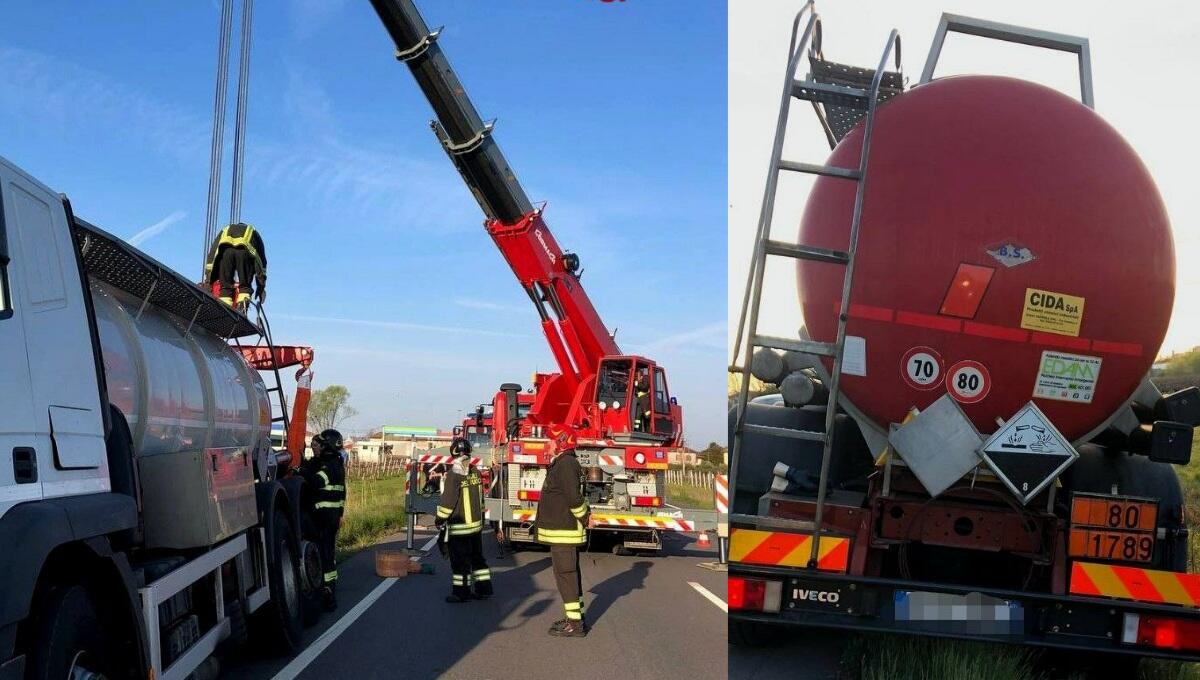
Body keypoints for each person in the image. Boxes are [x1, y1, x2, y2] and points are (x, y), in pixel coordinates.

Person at [534, 426, 590, 637]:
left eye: (550, 441)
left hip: (564, 531)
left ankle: (575, 625)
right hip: (562, 531)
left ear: (561, 442)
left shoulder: (566, 464)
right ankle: (575, 617)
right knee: (568, 577)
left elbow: (574, 499)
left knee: (566, 577)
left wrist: (585, 517)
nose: (547, 444)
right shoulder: (564, 463)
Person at [435, 438, 493, 603]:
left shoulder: (454, 474)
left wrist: (440, 519)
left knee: (460, 563)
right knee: (477, 559)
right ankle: (484, 589)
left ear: (453, 453)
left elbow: (448, 502)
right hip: (476, 527)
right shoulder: (475, 471)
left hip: (460, 528)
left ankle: (461, 593)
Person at [299, 429, 347, 611]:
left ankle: (329, 593)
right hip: (330, 518)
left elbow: (317, 482)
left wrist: (300, 471)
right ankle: (330, 588)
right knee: (328, 554)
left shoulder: (330, 467)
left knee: (326, 555)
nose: (314, 446)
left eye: (318, 444)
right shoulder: (335, 463)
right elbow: (342, 494)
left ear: (327, 446)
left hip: (325, 519)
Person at [203, 222, 267, 311]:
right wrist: (261, 286)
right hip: (244, 251)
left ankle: (224, 309)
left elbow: (212, 254)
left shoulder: (226, 229)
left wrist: (208, 281)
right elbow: (261, 262)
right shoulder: (253, 231)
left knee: (225, 288)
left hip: (225, 252)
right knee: (244, 287)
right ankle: (243, 306)